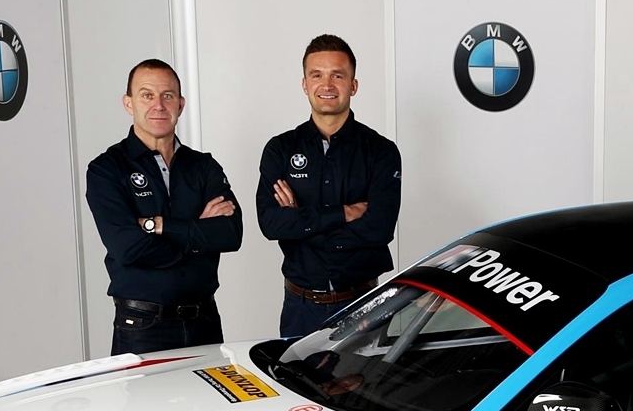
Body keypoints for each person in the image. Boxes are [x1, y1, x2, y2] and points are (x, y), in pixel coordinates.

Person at [85, 59, 242, 354]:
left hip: (205, 322)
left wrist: (159, 225)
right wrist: (198, 234)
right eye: (147, 95)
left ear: (180, 104)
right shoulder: (107, 169)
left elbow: (230, 235)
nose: (158, 105)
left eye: (167, 95)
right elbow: (128, 248)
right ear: (129, 103)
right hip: (143, 325)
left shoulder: (204, 166)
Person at [257, 34, 402, 339]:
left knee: (368, 374)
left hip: (364, 305)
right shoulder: (280, 149)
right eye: (317, 75)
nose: (327, 85)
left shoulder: (381, 151)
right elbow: (271, 224)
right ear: (304, 84)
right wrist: (344, 213)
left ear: (353, 85)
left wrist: (301, 223)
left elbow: (379, 228)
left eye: (337, 75)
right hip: (300, 309)